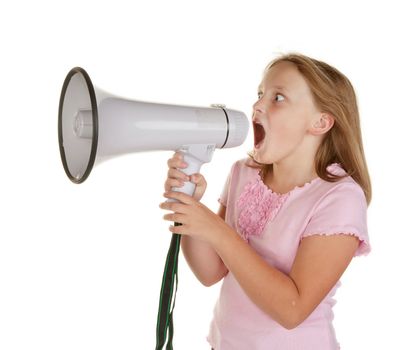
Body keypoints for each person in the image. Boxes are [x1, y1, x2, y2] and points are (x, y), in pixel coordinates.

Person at [159, 53, 371, 350]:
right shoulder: (243, 174)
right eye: (260, 95)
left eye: (278, 98)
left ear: (321, 122)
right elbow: (210, 272)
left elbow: (292, 309)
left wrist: (216, 230)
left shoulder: (339, 198)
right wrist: (190, 206)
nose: (257, 106)